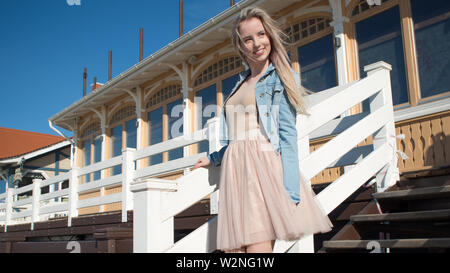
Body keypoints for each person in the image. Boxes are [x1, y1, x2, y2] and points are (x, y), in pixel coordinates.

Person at [193, 7, 332, 253]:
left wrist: (290, 191)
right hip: (235, 173)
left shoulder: (280, 78)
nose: (257, 43)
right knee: (234, 252)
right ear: (240, 46)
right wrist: (213, 158)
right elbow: (239, 135)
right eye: (248, 38)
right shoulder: (238, 85)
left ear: (269, 36)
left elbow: (287, 136)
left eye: (261, 34)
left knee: (257, 248)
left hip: (263, 170)